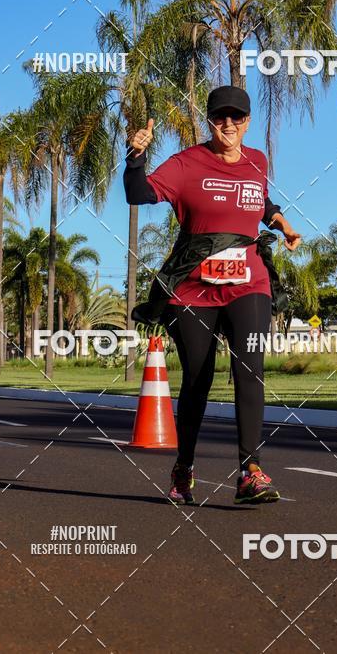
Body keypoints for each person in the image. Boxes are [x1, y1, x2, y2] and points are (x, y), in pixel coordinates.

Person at [123, 86, 301, 505]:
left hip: (249, 283)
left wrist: (279, 221)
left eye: (237, 118)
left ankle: (251, 471)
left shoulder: (257, 160)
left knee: (249, 368)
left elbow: (258, 199)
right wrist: (135, 157)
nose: (229, 125)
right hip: (193, 289)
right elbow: (138, 193)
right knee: (198, 380)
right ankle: (184, 467)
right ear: (210, 121)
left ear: (248, 122)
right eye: (220, 118)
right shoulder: (187, 163)